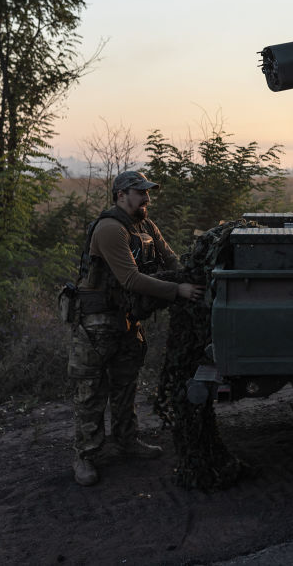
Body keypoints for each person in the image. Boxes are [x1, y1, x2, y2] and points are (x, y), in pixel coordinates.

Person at [68, 170, 204, 487]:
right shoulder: (109, 229)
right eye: (140, 192)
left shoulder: (145, 227)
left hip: (127, 320)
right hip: (96, 324)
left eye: (147, 192)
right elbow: (131, 279)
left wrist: (190, 276)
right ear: (120, 195)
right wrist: (178, 291)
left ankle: (127, 441)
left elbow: (171, 261)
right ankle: (86, 455)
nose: (146, 198)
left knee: (126, 386)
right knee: (90, 394)